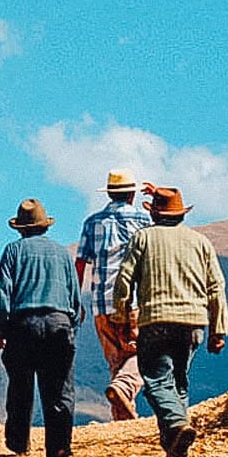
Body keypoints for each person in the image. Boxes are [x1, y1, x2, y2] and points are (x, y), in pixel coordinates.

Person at [111, 186, 228, 457]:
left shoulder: (143, 238)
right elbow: (216, 287)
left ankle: (176, 426)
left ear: (153, 212)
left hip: (156, 321)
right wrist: (218, 329)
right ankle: (173, 447)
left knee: (155, 381)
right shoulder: (201, 242)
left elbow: (124, 280)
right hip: (193, 323)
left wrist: (123, 317)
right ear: (180, 213)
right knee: (178, 383)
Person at [0, 197, 82, 457]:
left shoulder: (13, 252)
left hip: (23, 325)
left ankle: (19, 441)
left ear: (20, 228)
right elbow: (75, 298)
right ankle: (59, 451)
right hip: (58, 323)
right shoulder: (63, 253)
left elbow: (3, 292)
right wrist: (71, 327)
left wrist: (0, 326)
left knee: (21, 385)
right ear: (45, 226)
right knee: (60, 390)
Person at [76, 168, 152, 421]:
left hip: (101, 303)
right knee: (142, 355)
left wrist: (77, 300)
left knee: (116, 363)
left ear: (109, 192)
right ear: (132, 194)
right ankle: (122, 390)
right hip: (134, 302)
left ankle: (122, 421)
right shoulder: (144, 221)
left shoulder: (92, 222)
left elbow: (80, 263)